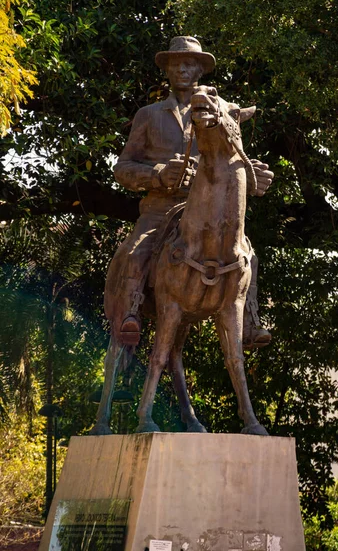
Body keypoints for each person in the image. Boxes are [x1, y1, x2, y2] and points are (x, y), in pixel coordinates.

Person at [104, 36, 274, 348]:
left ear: (200, 70)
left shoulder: (220, 110)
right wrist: (156, 175)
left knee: (247, 253)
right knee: (137, 250)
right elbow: (122, 168)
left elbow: (234, 158)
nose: (182, 69)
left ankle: (249, 319)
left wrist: (254, 176)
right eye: (176, 63)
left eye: (189, 63)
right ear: (167, 69)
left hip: (208, 209)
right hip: (158, 208)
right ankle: (131, 313)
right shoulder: (148, 115)